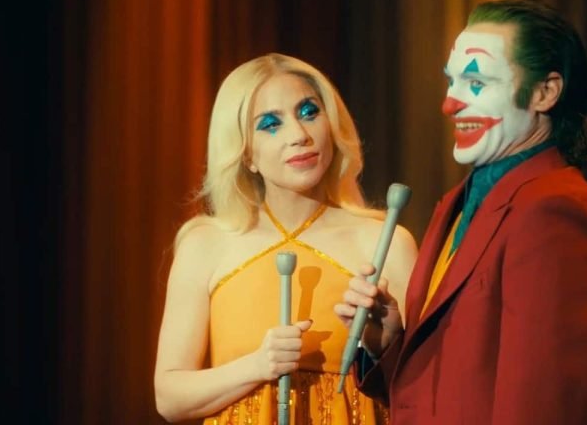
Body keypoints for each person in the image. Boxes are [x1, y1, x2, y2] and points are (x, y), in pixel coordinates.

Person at [335, 0, 587, 424]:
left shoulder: (556, 209)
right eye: (452, 81)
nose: (450, 103)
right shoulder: (457, 202)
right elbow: (447, 387)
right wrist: (388, 342)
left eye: (476, 81)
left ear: (545, 93)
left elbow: (539, 404)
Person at [154, 53, 418, 424]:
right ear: (246, 153)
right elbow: (169, 397)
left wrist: (384, 346)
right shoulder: (205, 244)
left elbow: (430, 389)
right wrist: (257, 365)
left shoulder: (387, 242)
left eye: (309, 112)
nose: (299, 135)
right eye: (271, 124)